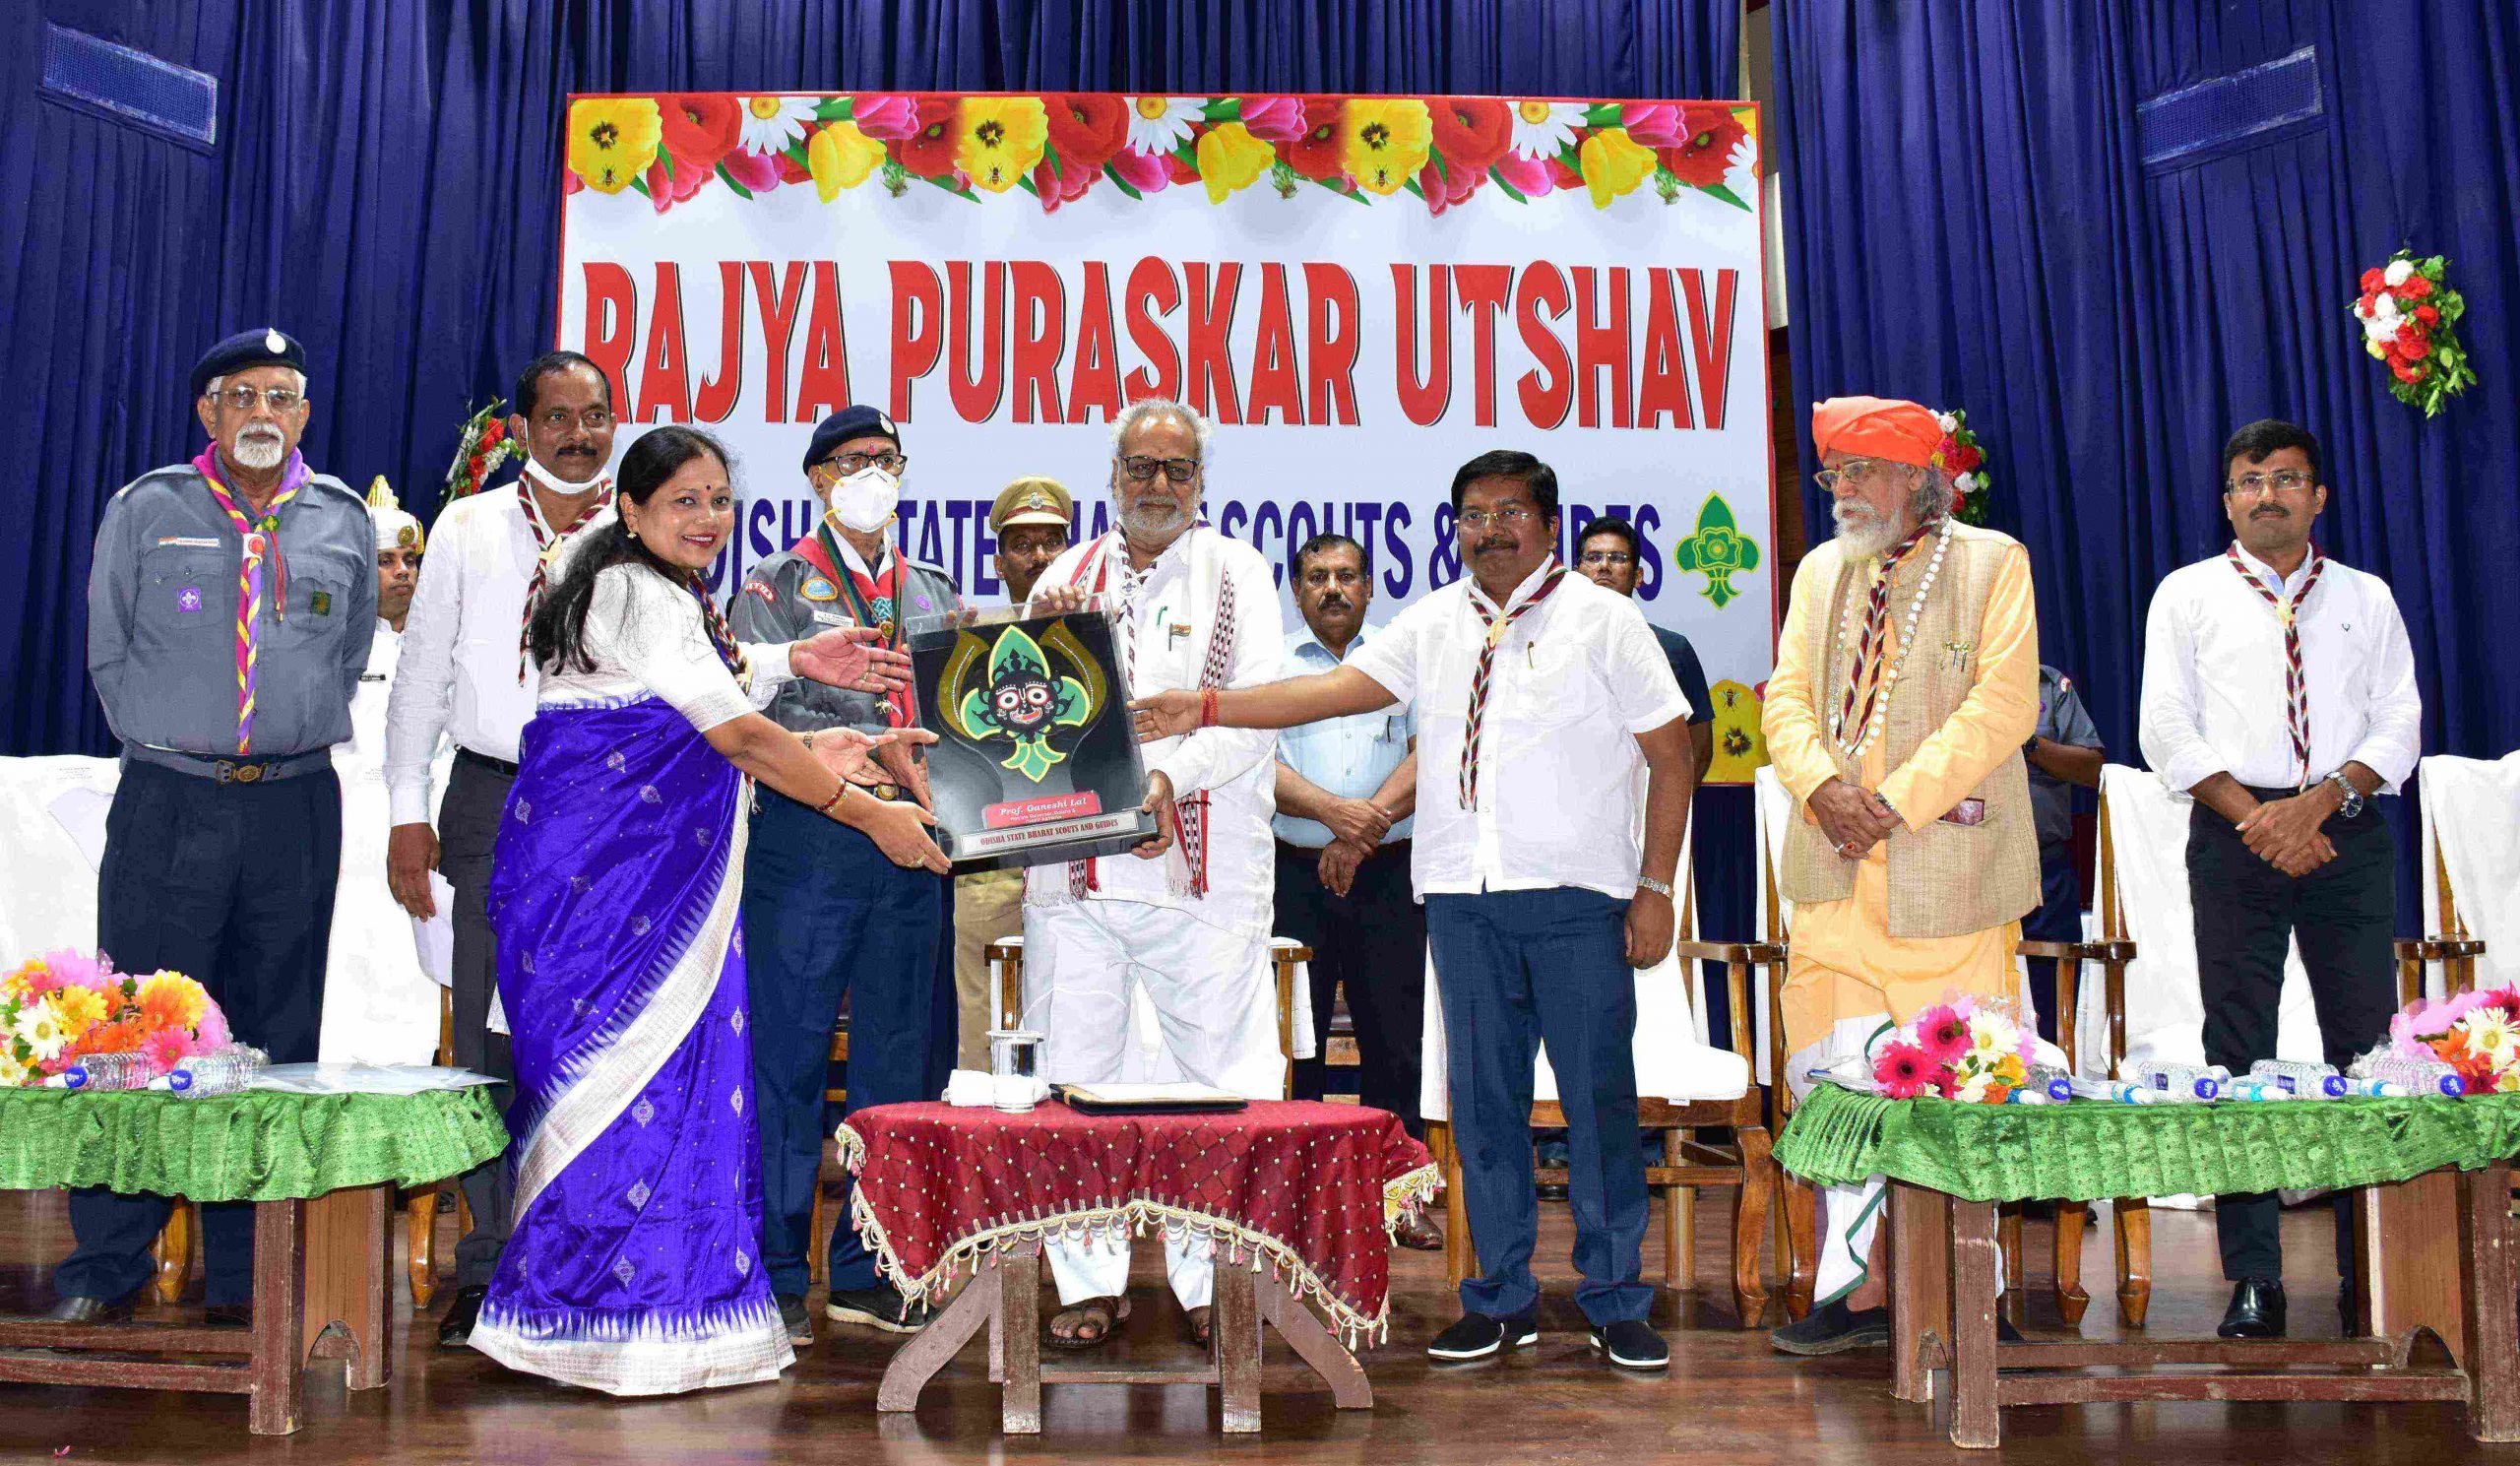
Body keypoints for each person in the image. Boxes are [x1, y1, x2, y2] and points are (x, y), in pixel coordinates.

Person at [1131, 448, 1696, 1374]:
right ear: (1456, 529)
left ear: (1549, 522)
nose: (1491, 528)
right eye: (1473, 514)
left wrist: (1656, 887)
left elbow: (1674, 758)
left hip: (1576, 902)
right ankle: (1499, 1298)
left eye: (1510, 510)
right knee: (1482, 1109)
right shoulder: (1437, 621)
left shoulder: (1605, 621)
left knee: (1596, 1104)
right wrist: (1204, 705)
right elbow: (1325, 690)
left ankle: (1615, 1299)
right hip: (1464, 903)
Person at [470, 424, 947, 1396]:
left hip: (634, 887)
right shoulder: (636, 591)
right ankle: (595, 1314)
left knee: (655, 1086)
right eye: (684, 499)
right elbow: (734, 734)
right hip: (611, 895)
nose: (708, 518)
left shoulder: (654, 592)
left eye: (720, 499)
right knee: (615, 1088)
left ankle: (639, 1313)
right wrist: (864, 808)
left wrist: (799, 674)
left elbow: (707, 690)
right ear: (632, 508)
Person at [53, 327, 375, 1327]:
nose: (263, 416)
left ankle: (247, 1269)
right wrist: (177, 741)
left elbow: (350, 644)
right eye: (242, 396)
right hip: (171, 800)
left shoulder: (342, 519)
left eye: (282, 396)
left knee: (272, 1031)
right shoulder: (148, 508)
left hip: (291, 805)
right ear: (210, 412)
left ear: (304, 414)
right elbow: (109, 653)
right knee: (141, 1028)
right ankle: (107, 1259)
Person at [1761, 396, 2041, 1358]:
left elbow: (2000, 708)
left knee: (1962, 1091)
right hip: (1835, 876)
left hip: (1946, 878)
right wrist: (1823, 787)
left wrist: (1894, 800)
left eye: (1867, 471)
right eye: (1837, 473)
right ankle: (1860, 1289)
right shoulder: (1817, 572)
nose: (1847, 490)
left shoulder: (1991, 563)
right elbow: (1785, 700)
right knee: (1839, 1087)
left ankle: (1972, 1291)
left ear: (1925, 478)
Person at [2138, 417, 2421, 1340]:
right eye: (2250, 481)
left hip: (2344, 829)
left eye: (2287, 478)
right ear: (2227, 500)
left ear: (2318, 495)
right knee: (2239, 1052)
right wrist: (2258, 815)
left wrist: (2319, 801)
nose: (2268, 495)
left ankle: (2370, 1269)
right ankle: (2254, 1277)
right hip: (2235, 834)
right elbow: (2165, 729)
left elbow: (2400, 725)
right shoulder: (2186, 595)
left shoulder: (2367, 598)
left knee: (2366, 1053)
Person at [1022, 397, 1286, 1353]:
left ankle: (1212, 1280)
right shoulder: (1062, 578)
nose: (1159, 485)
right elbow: (1024, 723)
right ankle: (1083, 1282)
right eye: (1141, 467)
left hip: (1200, 880)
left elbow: (1252, 709)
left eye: (1177, 469)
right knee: (1076, 1077)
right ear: (1113, 475)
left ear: (1201, 481)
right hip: (1076, 883)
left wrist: (1163, 781)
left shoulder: (1240, 575)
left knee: (1210, 1083)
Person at [384, 350, 622, 1348]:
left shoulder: (642, 530)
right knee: (485, 1041)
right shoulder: (472, 526)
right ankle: (488, 1268)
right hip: (488, 796)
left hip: (611, 810)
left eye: (595, 414)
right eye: (558, 415)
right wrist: (407, 807)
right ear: (523, 427)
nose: (578, 431)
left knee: (598, 1032)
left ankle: (588, 1259)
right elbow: (423, 674)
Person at [728, 404, 962, 1345]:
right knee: (784, 1058)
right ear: (818, 477)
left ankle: (872, 1269)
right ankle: (778, 1267)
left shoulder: (938, 591)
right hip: (808, 841)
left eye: (887, 458)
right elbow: (744, 715)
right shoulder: (772, 587)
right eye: (853, 459)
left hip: (912, 847)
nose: (873, 472)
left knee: (898, 1062)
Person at [1268, 533, 1443, 1252]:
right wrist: (1335, 817)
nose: (1333, 588)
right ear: (1297, 588)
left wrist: (1358, 831)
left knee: (1394, 1044)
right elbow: (1257, 761)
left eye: (1347, 576)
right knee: (1293, 1045)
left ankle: (1396, 1197)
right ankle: (1294, 1201)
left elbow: (1425, 750)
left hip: (1387, 874)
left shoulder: (1401, 660)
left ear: (1371, 587)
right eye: (1317, 577)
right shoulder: (1270, 666)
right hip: (1290, 876)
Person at [316, 479, 443, 1063]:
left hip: (424, 826)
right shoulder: (330, 648)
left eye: (411, 560)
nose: (403, 573)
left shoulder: (445, 645)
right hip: (348, 830)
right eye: (386, 560)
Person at [950, 475, 1075, 1066]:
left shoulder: (1095, 630)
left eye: (1053, 542)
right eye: (1023, 544)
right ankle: (982, 1138)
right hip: (990, 861)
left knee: (1077, 1007)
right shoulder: (967, 637)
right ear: (999, 561)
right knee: (982, 1006)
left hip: (1078, 858)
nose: (1041, 557)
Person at [1574, 516, 1714, 774]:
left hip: (1649, 802)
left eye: (1617, 558)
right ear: (1576, 573)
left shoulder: (1674, 648)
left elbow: (1699, 748)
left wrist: (1666, 811)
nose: (1604, 566)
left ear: (1638, 576)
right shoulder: (1555, 644)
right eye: (1593, 557)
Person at [2021, 666, 2105, 1045]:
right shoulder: (1951, 675)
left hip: (2044, 863)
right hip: (1968, 863)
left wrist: (2028, 743)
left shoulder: (2050, 686)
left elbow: (2092, 768)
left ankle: (2056, 1072)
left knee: (2056, 988)